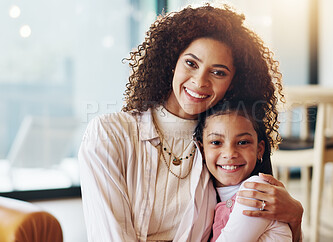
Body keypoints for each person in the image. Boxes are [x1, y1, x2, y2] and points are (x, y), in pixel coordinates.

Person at [78, 3, 303, 242]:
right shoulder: (108, 134)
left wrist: (296, 217)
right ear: (172, 61)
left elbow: (268, 232)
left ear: (233, 82)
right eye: (191, 63)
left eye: (218, 72)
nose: (200, 81)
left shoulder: (226, 146)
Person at [195, 100, 293, 241]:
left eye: (242, 142)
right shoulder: (210, 196)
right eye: (216, 142)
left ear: (259, 150)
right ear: (202, 150)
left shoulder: (256, 191)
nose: (229, 153)